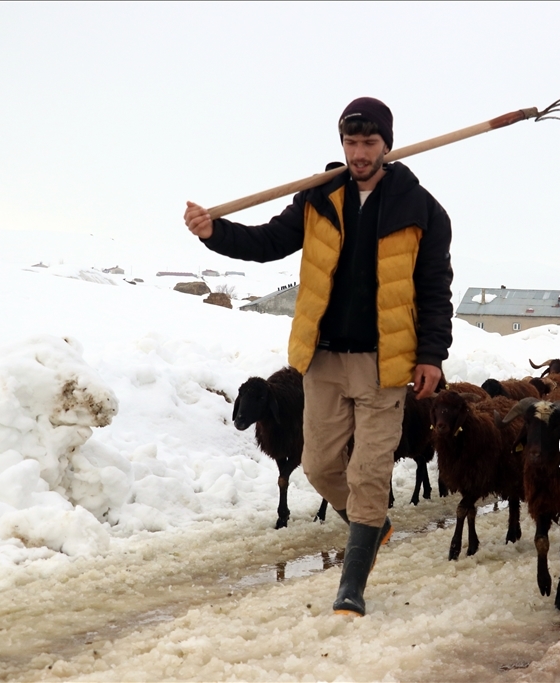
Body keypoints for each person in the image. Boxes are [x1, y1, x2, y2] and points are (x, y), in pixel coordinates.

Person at [184, 97, 453, 617]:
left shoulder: (421, 209)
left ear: (386, 145)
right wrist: (214, 232)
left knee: (369, 472)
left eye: (369, 143)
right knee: (319, 464)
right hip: (323, 359)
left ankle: (351, 585)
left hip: (385, 361)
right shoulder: (318, 197)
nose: (359, 153)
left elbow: (435, 290)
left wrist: (431, 356)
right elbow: (266, 242)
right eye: (351, 143)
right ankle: (371, 525)